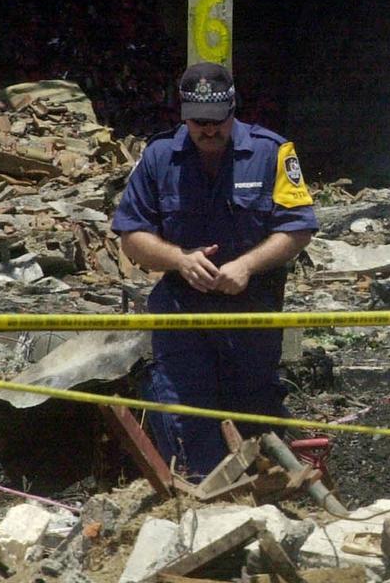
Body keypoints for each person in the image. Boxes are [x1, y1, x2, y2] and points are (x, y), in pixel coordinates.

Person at [112, 62, 318, 479]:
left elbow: (298, 227)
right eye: (197, 122)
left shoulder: (272, 152)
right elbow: (131, 234)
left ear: (233, 110)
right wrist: (180, 260)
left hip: (250, 310)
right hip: (182, 312)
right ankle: (203, 500)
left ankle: (265, 498)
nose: (208, 131)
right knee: (188, 415)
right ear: (183, 116)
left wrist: (246, 265)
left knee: (254, 412)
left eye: (217, 122)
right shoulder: (158, 157)